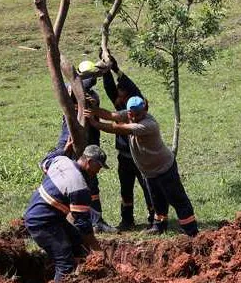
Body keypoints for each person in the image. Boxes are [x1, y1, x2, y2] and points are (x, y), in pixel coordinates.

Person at [85, 96, 199, 236]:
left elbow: (118, 129)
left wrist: (95, 124)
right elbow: (110, 115)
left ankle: (191, 230)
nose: (133, 118)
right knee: (157, 201)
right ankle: (159, 226)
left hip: (164, 168)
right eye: (131, 115)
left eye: (137, 114)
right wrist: (93, 109)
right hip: (149, 172)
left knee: (177, 199)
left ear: (144, 111)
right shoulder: (129, 115)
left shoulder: (148, 125)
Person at [40, 74, 117, 234]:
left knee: (91, 181)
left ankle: (96, 221)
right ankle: (55, 217)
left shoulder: (92, 96)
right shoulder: (70, 95)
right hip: (69, 139)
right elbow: (72, 86)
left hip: (88, 140)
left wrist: (92, 105)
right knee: (61, 176)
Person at [24, 145, 108, 283]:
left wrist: (64, 149)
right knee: (65, 263)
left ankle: (82, 279)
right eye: (98, 167)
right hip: (42, 223)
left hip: (46, 215)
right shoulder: (79, 186)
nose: (98, 171)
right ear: (89, 162)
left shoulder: (61, 160)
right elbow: (83, 225)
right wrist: (97, 250)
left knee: (77, 243)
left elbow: (46, 161)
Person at [101, 54, 156, 231]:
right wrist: (106, 69)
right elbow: (109, 87)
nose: (117, 94)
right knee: (126, 188)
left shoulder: (137, 105)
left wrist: (116, 69)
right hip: (124, 156)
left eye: (120, 92)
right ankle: (127, 219)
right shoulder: (120, 107)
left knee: (147, 187)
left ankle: (154, 218)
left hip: (140, 157)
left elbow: (129, 85)